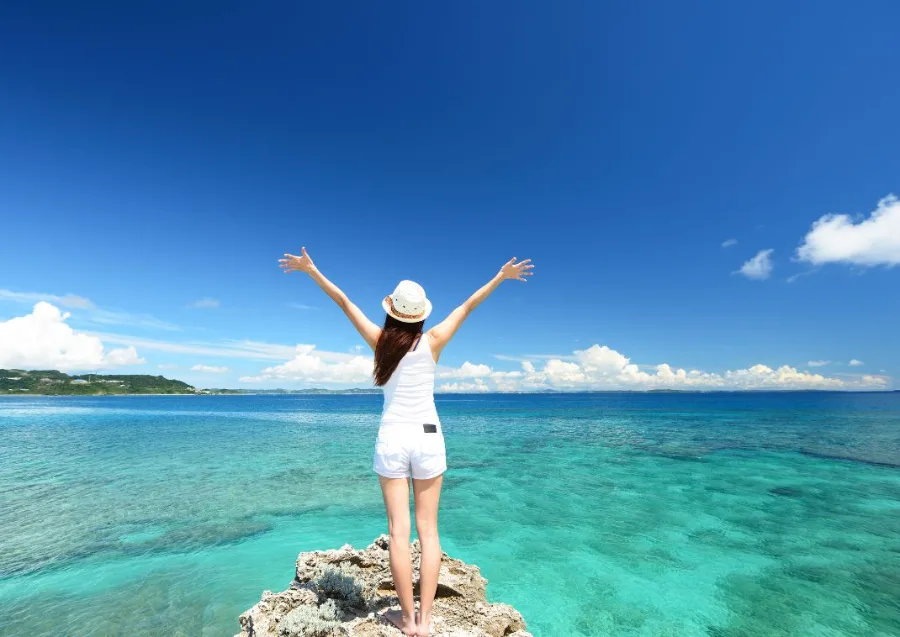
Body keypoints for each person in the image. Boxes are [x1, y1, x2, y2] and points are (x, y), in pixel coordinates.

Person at [278, 248, 534, 636]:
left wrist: (311, 270)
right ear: (421, 314)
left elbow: (344, 301)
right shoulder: (433, 341)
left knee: (400, 533)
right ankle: (426, 621)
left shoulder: (380, 342)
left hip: (392, 439)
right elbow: (468, 306)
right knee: (429, 532)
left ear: (391, 310)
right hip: (429, 438)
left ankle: (408, 619)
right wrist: (500, 277)